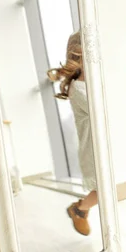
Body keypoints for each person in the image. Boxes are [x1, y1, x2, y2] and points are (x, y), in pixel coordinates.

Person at [47, 32, 96, 236]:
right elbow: (98, 110)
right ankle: (80, 209)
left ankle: (80, 208)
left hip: (102, 144)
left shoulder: (93, 81)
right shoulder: (78, 88)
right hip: (92, 147)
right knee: (103, 190)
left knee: (108, 187)